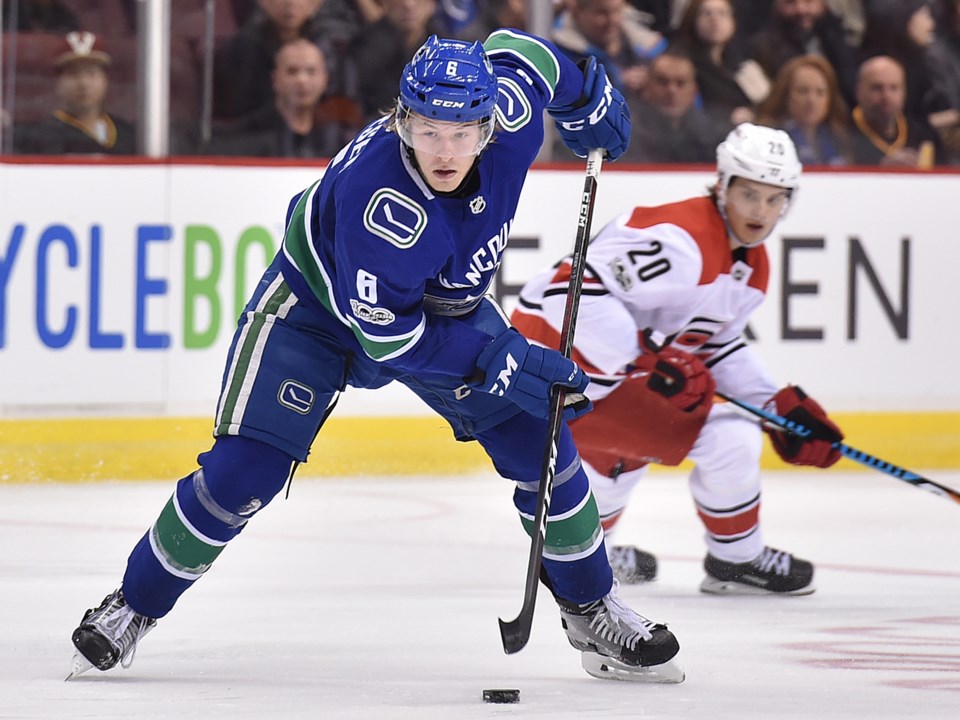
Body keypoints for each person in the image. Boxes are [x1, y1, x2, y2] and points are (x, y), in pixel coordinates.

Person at [67, 30, 685, 685]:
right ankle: (133, 605)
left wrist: (585, 93)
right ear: (401, 120)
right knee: (244, 472)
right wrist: (503, 360)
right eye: (427, 130)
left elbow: (519, 52)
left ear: (489, 123)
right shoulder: (381, 204)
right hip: (314, 313)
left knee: (544, 444)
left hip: (441, 308)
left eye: (461, 132)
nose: (444, 150)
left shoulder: (511, 114)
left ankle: (590, 607)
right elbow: (388, 340)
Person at [513, 123, 844, 595]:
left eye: (775, 199)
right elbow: (568, 291)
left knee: (632, 447)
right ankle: (737, 558)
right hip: (550, 366)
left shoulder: (750, 266)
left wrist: (776, 406)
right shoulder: (683, 241)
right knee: (728, 439)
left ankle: (583, 552)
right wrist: (644, 357)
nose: (761, 211)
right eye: (749, 194)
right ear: (723, 184)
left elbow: (714, 345)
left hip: (598, 377)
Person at [207, 38, 356, 158]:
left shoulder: (338, 138)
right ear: (275, 79)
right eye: (292, 71)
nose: (302, 80)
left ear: (326, 80)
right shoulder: (247, 133)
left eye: (311, 71)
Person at [14, 30, 136, 155]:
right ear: (58, 84)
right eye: (73, 74)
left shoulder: (129, 135)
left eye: (91, 73)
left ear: (105, 80)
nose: (83, 83)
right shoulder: (39, 138)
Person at [619, 48, 731, 162]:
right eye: (663, 82)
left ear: (694, 90)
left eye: (681, 83)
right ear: (647, 86)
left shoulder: (714, 132)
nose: (672, 91)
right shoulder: (625, 130)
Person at [672, 0, 771, 126]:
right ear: (692, 20)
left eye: (722, 13)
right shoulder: (682, 63)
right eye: (706, 14)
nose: (714, 20)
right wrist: (729, 118)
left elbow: (766, 100)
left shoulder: (743, 62)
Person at [552, 0, 668, 99]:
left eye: (617, 11)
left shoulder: (646, 43)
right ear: (577, 12)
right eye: (602, 13)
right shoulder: (557, 51)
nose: (612, 20)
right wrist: (617, 83)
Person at [757, 54, 852, 165]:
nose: (811, 100)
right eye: (802, 91)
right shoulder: (766, 137)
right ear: (786, 95)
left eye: (820, 92)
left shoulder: (840, 139)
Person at [849, 55, 942, 166]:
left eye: (894, 88)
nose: (886, 96)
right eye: (877, 88)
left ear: (904, 92)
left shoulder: (924, 135)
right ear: (859, 91)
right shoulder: (842, 134)